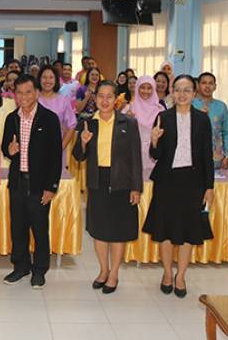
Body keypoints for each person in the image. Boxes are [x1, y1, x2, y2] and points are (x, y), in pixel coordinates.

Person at [142, 75, 214, 299]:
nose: (182, 94)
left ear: (194, 93)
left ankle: (180, 276)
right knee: (165, 231)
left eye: (187, 90)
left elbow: (207, 156)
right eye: (178, 90)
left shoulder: (202, 120)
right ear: (172, 93)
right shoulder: (163, 117)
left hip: (193, 183)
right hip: (167, 181)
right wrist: (154, 141)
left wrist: (209, 187)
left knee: (188, 232)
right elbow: (156, 155)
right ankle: (167, 273)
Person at [73, 81, 143, 294]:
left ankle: (114, 274)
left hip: (122, 181)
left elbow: (136, 157)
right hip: (97, 181)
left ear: (116, 100)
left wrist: (136, 187)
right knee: (100, 231)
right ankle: (103, 270)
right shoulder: (88, 123)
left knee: (118, 232)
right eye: (100, 96)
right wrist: (83, 142)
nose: (104, 101)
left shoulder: (128, 123)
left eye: (109, 96)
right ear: (95, 98)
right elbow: (78, 156)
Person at [0, 74, 63, 289]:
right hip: (18, 182)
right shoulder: (12, 118)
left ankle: (39, 270)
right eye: (19, 93)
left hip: (40, 184)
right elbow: (5, 147)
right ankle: (21, 267)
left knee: (39, 229)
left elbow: (56, 156)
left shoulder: (49, 118)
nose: (24, 96)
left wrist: (51, 187)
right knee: (18, 228)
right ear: (14, 95)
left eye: (28, 92)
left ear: (36, 93)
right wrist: (9, 150)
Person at [37, 65, 77, 171]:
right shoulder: (33, 99)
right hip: (35, 148)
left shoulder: (63, 100)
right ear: (39, 79)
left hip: (55, 148)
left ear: (56, 80)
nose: (47, 81)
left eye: (51, 77)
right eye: (44, 77)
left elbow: (72, 125)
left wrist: (61, 147)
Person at [192, 72, 228, 171]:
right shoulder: (190, 105)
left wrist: (227, 156)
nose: (207, 86)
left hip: (216, 158)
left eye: (210, 83)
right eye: (204, 83)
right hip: (193, 156)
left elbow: (227, 132)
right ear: (198, 85)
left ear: (215, 86)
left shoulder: (221, 106)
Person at [122, 75, 165, 171]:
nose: (146, 91)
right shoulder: (129, 109)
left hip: (154, 155)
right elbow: (121, 132)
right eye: (142, 87)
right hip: (133, 154)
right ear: (137, 88)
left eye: (149, 88)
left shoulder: (160, 110)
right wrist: (127, 119)